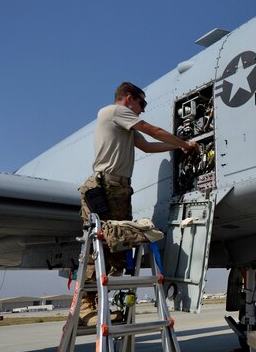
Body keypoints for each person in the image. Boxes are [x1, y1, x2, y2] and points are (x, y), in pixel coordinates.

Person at [78, 81, 197, 325]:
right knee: (99, 247)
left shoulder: (125, 127)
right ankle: (86, 307)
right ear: (128, 98)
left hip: (119, 190)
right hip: (104, 188)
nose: (142, 109)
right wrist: (183, 143)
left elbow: (148, 146)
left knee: (118, 248)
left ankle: (101, 305)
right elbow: (152, 130)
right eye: (142, 103)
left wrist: (178, 148)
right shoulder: (114, 112)